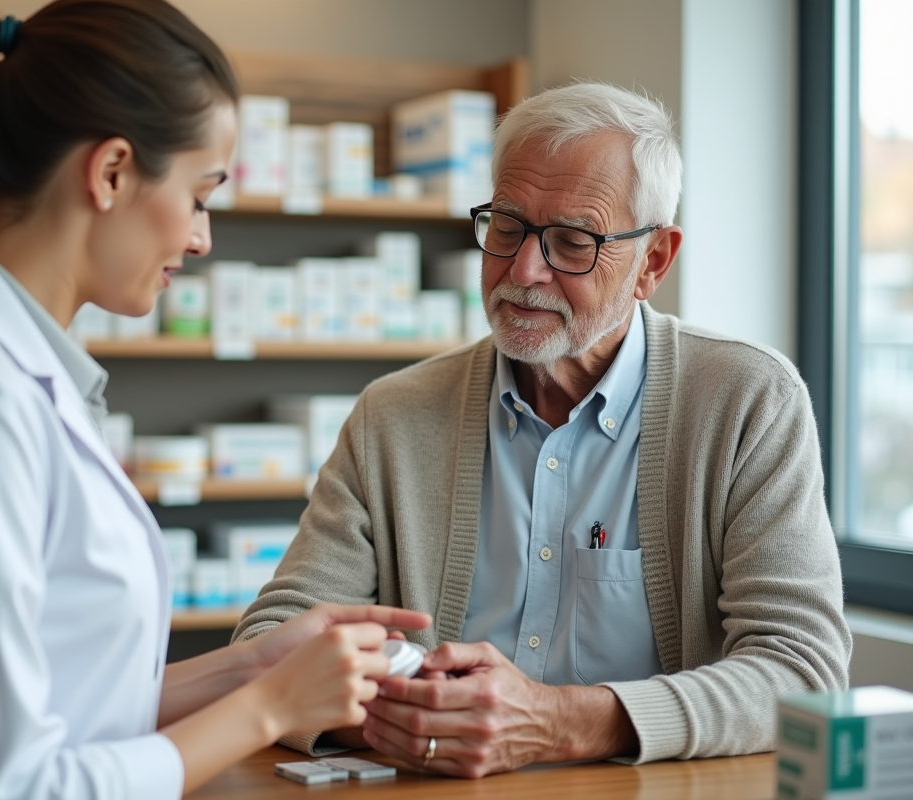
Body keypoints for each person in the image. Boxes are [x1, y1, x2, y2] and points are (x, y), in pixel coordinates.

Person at [0, 2, 431, 798]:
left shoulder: (11, 375)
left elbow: (58, 708)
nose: (202, 239)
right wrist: (269, 709)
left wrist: (253, 665)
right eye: (200, 195)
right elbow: (4, 784)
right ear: (109, 173)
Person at [233, 82, 852, 778]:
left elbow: (800, 668)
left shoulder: (746, 401)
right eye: (507, 226)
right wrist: (416, 715)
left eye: (572, 241)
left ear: (653, 262)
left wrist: (561, 723)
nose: (524, 271)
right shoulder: (393, 415)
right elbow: (272, 639)